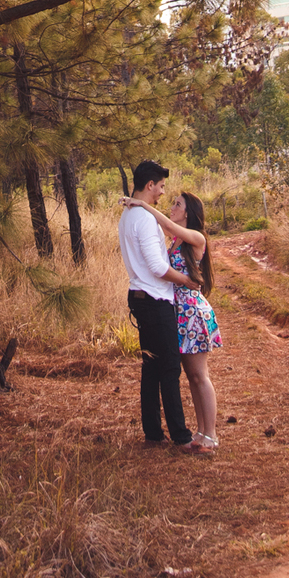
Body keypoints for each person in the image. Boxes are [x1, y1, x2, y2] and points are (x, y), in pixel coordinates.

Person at [124, 188, 223, 453]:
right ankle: (201, 433)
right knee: (191, 376)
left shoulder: (195, 237)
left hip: (192, 312)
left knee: (200, 375)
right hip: (177, 313)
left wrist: (141, 204)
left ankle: (210, 435)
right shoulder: (176, 242)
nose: (172, 206)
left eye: (177, 204)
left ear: (188, 213)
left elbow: (165, 224)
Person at [117, 159, 205, 452]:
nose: (163, 193)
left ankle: (153, 431)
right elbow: (157, 266)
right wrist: (187, 281)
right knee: (168, 368)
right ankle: (180, 436)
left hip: (139, 296)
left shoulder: (129, 215)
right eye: (162, 187)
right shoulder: (142, 219)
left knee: (151, 366)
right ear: (150, 185)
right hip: (154, 299)